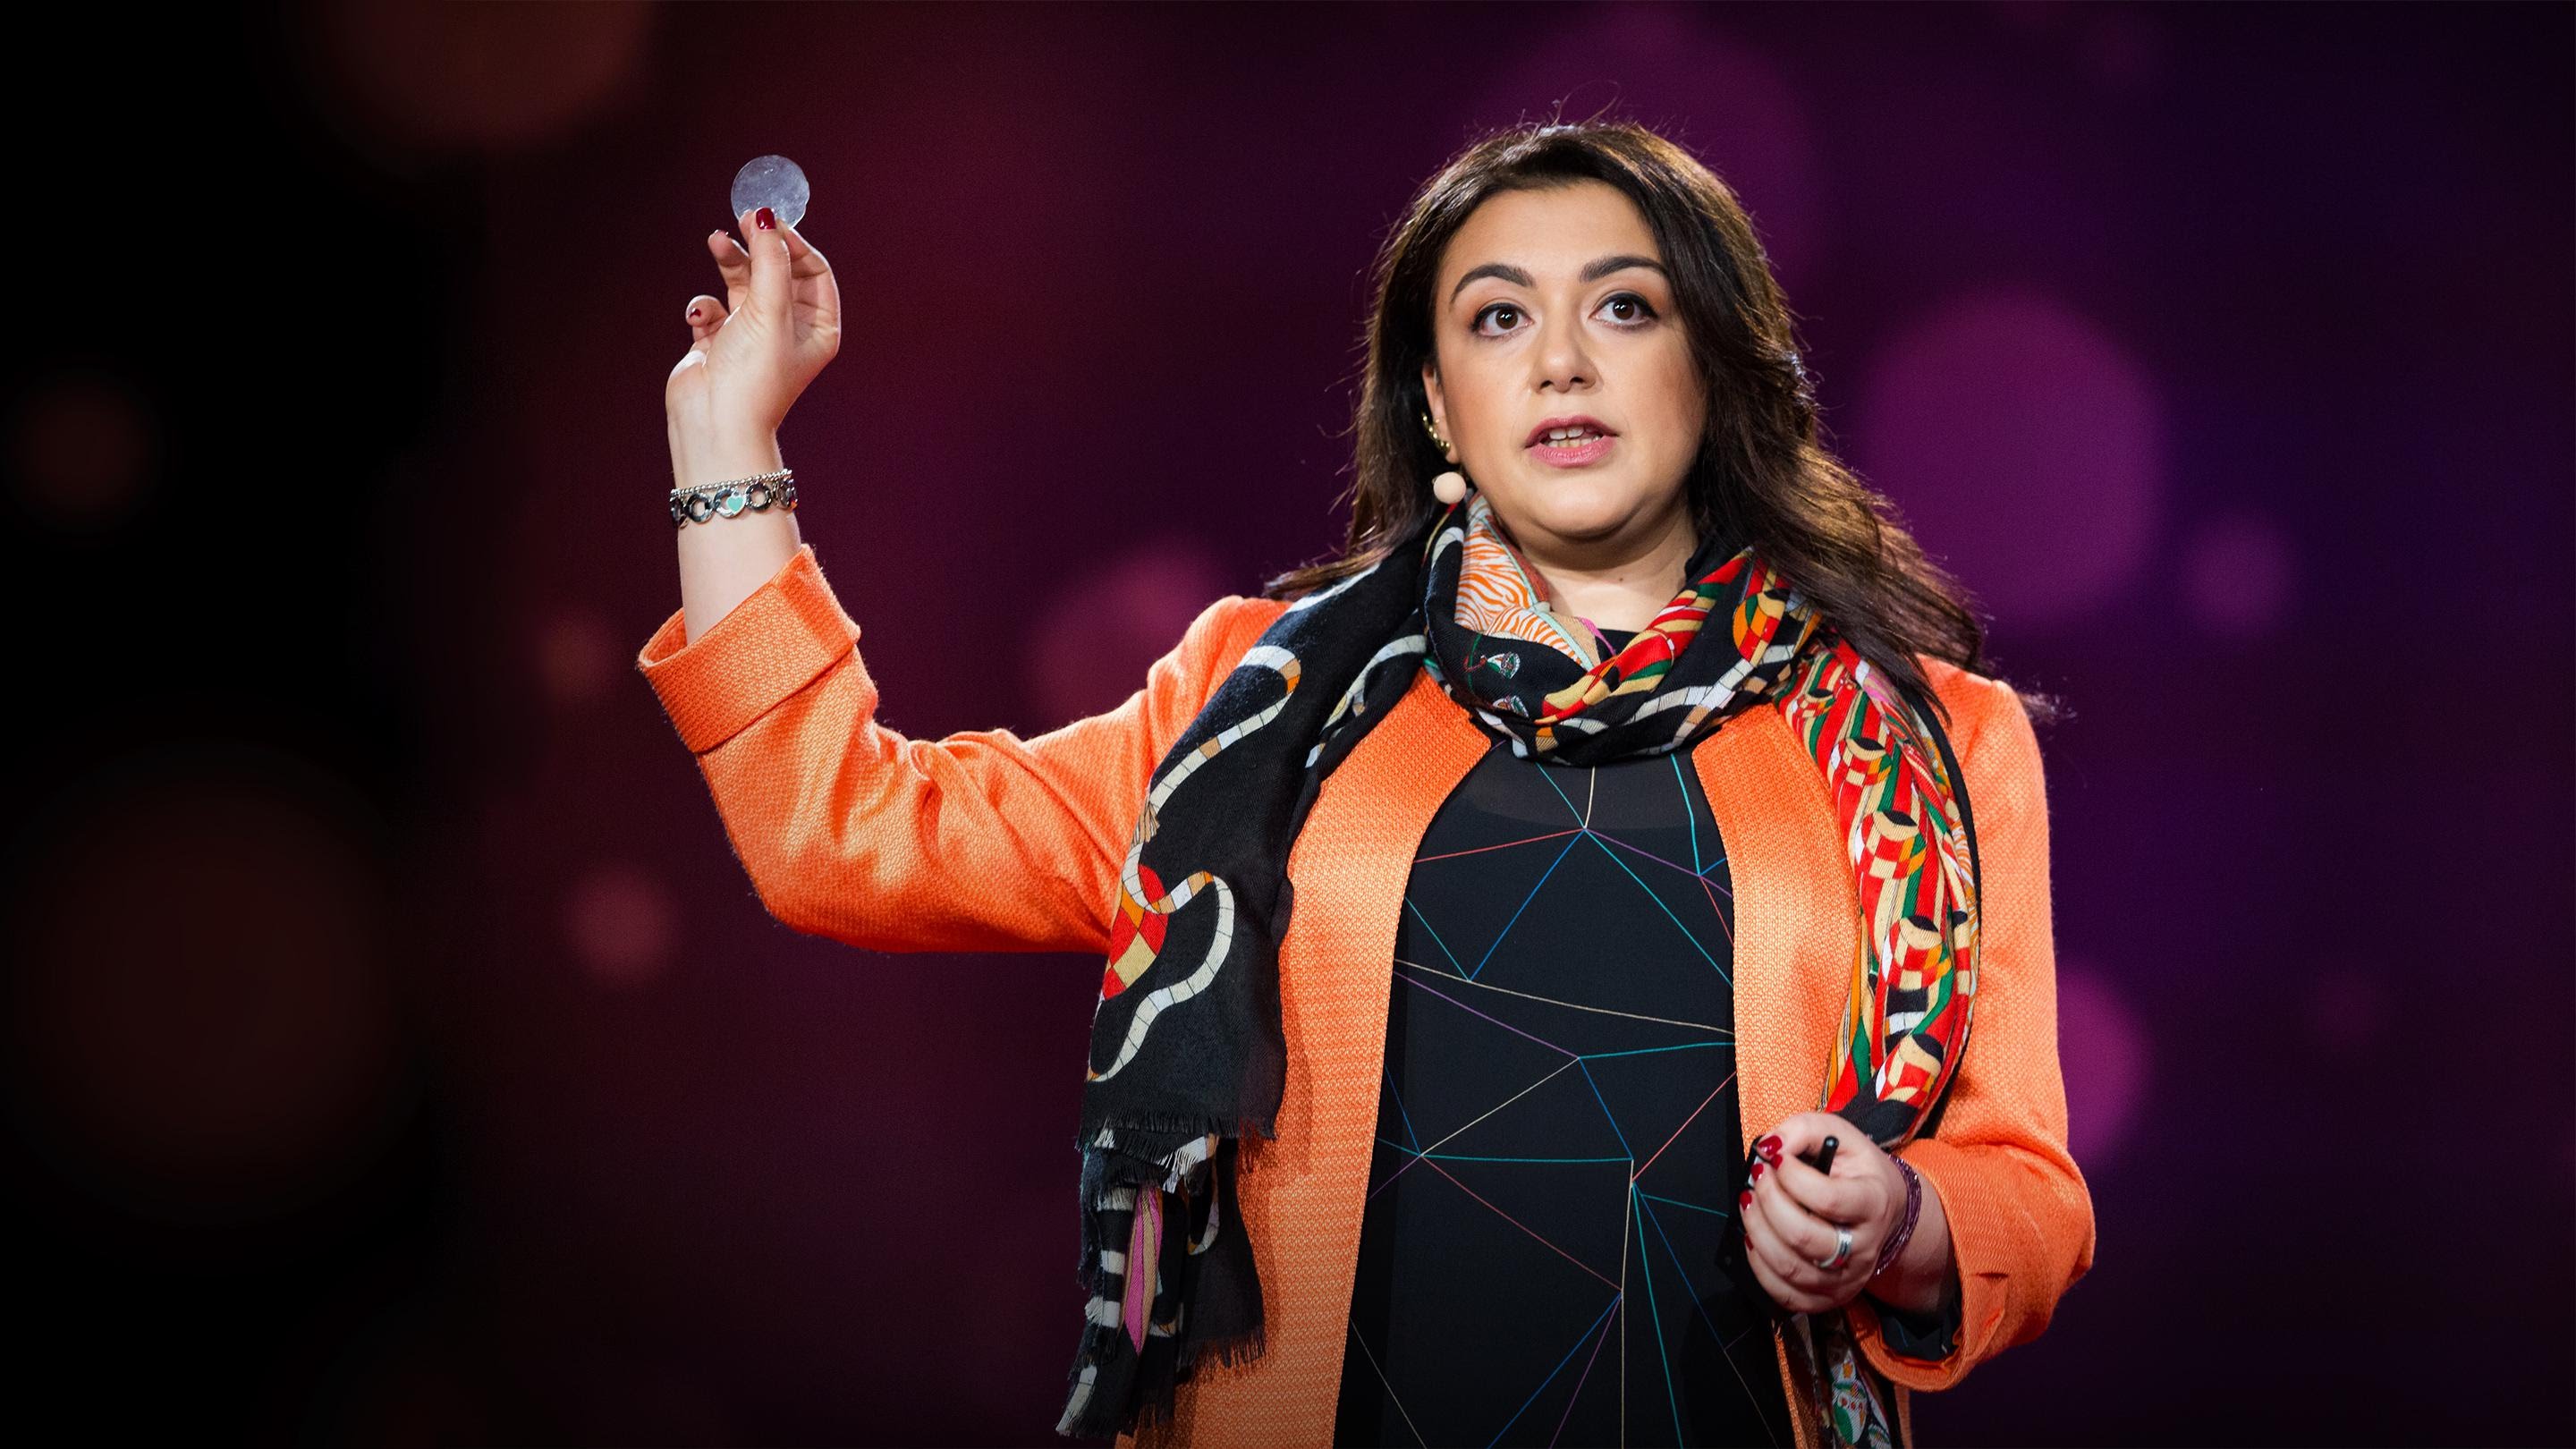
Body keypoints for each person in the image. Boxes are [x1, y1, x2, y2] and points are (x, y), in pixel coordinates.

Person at [641, 118, 2093, 1449]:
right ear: (1440, 409)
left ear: (1713, 367)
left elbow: (2027, 1190)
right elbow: (837, 833)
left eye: (1625, 307)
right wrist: (725, 443)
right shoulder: (1254, 702)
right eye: (1499, 317)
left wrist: (1900, 1221)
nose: (1562, 361)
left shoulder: (1936, 739)